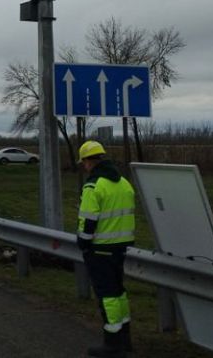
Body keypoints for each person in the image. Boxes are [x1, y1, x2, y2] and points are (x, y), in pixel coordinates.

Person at [76, 140, 136, 357]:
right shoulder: (123, 183)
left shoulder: (93, 185)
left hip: (100, 248)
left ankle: (112, 344)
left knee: (107, 295)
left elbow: (88, 221)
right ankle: (125, 338)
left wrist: (83, 242)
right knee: (119, 292)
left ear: (87, 161)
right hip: (123, 246)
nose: (84, 166)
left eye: (84, 162)